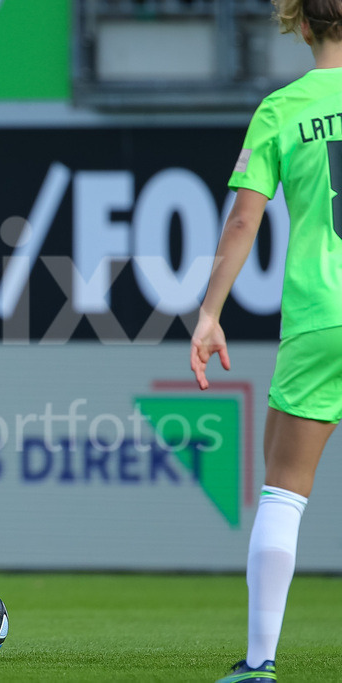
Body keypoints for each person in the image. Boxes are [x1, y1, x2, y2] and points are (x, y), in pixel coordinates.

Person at [191, 1, 342, 681]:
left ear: (302, 25)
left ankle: (259, 663)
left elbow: (242, 223)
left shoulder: (282, 109)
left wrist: (209, 313)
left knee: (283, 490)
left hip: (322, 315)